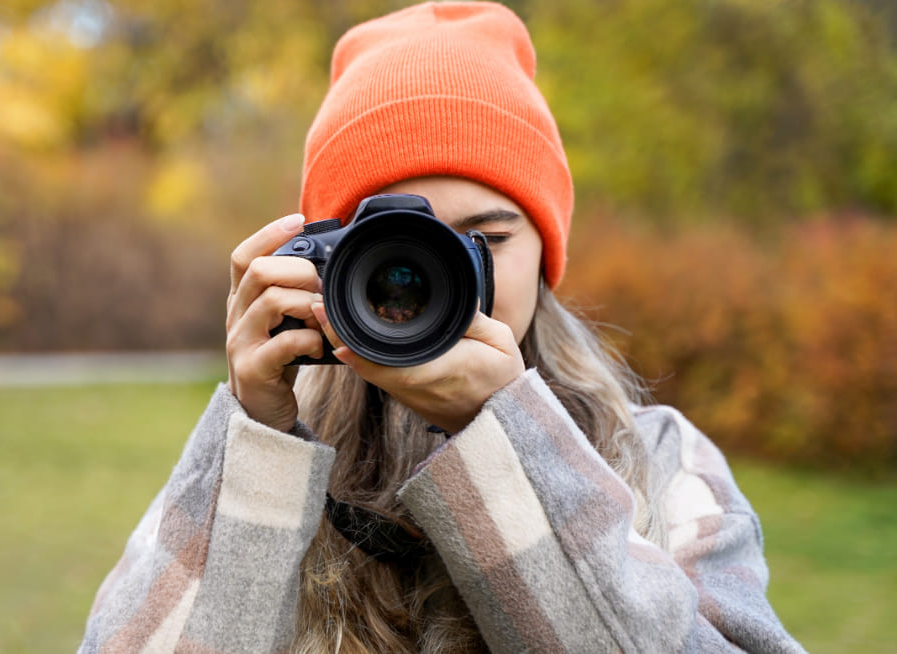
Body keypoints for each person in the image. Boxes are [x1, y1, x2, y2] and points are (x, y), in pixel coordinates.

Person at [78, 2, 806, 652]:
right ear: (324, 260)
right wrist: (257, 440)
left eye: (482, 241)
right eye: (395, 246)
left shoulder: (660, 460)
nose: (425, 280)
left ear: (548, 255)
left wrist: (506, 437)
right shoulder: (269, 449)